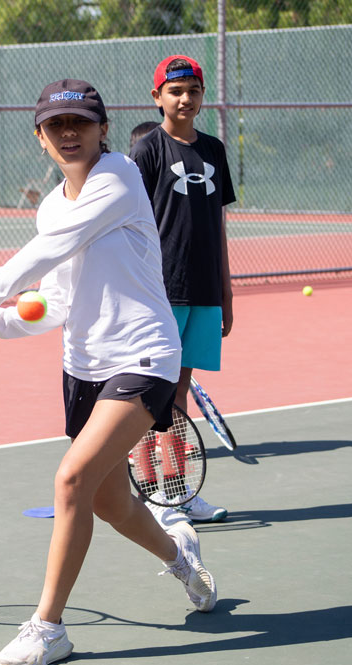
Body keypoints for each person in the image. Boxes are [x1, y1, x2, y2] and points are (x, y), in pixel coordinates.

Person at [0, 79, 217, 665]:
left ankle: (48, 628)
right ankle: (184, 562)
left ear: (102, 129)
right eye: (55, 125)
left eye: (80, 123)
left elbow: (47, 249)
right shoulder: (51, 204)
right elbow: (53, 305)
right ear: (39, 137)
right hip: (83, 369)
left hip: (143, 357)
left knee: (69, 482)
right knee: (111, 500)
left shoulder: (119, 178)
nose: (69, 133)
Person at [130, 55, 235, 523]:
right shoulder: (149, 151)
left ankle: (177, 493)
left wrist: (226, 293)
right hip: (160, 293)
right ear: (158, 98)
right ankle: (152, 490)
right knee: (150, 397)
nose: (185, 99)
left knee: (178, 395)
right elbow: (128, 222)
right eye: (175, 91)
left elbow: (219, 225)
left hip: (205, 293)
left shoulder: (213, 149)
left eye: (192, 90)